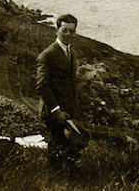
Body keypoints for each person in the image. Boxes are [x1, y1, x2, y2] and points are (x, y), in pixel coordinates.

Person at [36, 13, 87, 171]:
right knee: (55, 152)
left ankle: (67, 183)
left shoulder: (71, 52)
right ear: (57, 30)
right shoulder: (47, 55)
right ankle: (51, 183)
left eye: (71, 31)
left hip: (68, 111)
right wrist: (56, 110)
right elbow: (42, 86)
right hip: (53, 112)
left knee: (70, 150)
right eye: (64, 30)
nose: (68, 35)